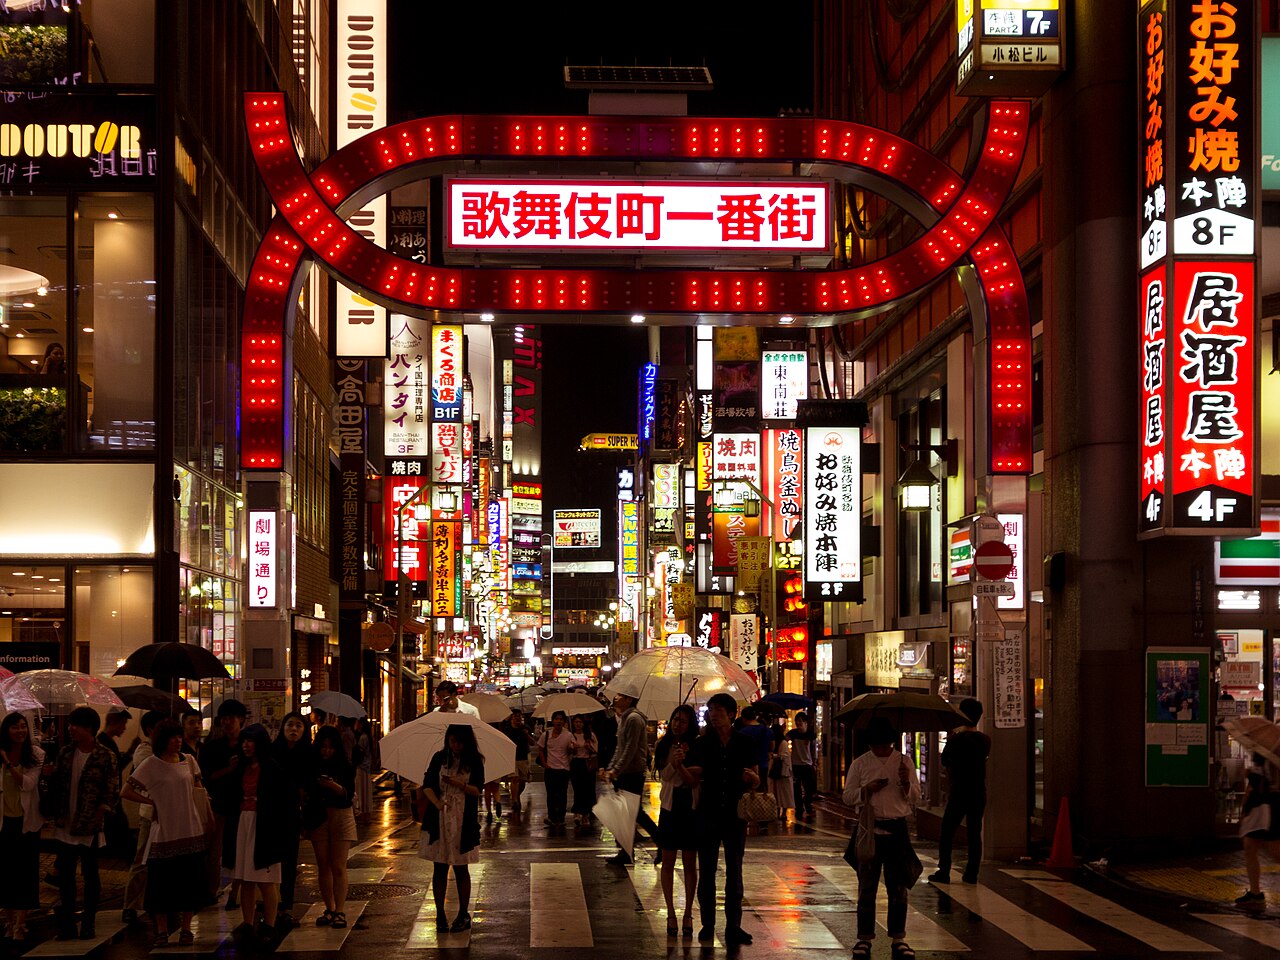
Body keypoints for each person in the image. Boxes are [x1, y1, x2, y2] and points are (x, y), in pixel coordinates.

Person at [120, 719, 207, 948]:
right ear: (162, 739)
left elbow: (198, 788)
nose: (178, 740)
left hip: (190, 827)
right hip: (164, 832)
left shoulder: (188, 761)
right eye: (173, 737)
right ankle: (161, 930)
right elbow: (126, 790)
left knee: (189, 882)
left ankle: (186, 929)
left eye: (179, 736)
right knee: (161, 884)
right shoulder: (151, 764)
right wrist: (151, 802)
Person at [683, 692, 759, 946]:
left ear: (731, 714)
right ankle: (708, 924)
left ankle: (733, 926)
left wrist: (753, 780)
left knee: (735, 871)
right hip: (707, 812)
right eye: (710, 709)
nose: (713, 714)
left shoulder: (745, 742)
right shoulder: (701, 743)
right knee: (707, 870)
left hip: (736, 815)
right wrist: (680, 765)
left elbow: (755, 777)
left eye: (718, 710)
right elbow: (693, 778)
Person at [844, 716, 922, 960]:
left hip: (897, 829)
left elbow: (916, 798)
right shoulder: (861, 764)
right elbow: (848, 796)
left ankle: (898, 938)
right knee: (867, 887)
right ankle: (864, 938)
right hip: (869, 829)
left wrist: (906, 782)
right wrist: (867, 790)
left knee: (898, 888)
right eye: (876, 745)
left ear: (891, 742)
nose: (880, 749)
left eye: (884, 745)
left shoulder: (904, 762)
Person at [49, 706, 120, 940]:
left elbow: (112, 788)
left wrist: (102, 810)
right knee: (66, 876)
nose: (71, 729)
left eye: (75, 725)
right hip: (65, 822)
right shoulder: (65, 752)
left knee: (91, 875)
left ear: (89, 728)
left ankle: (88, 923)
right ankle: (68, 924)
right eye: (70, 724)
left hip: (90, 824)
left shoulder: (104, 755)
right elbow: (58, 782)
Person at [418, 724, 485, 933]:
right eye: (453, 741)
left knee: (461, 867)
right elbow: (427, 783)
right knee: (439, 867)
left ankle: (463, 914)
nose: (456, 745)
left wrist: (459, 784)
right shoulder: (439, 758)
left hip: (463, 819)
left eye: (460, 742)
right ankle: (440, 914)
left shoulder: (475, 761)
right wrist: (437, 803)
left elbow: (477, 790)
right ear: (448, 740)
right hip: (439, 817)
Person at [228, 724, 290, 946]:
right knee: (245, 879)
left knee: (266, 880)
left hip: (265, 826)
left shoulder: (272, 768)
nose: (246, 745)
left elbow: (282, 801)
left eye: (250, 740)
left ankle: (269, 925)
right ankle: (247, 923)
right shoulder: (240, 768)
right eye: (244, 740)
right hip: (244, 822)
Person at [928, 698, 992, 885]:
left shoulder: (956, 740)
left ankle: (944, 870)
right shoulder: (985, 740)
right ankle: (972, 873)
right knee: (974, 831)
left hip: (959, 792)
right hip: (979, 792)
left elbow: (945, 761)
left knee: (947, 831)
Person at [598, 688, 659, 864]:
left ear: (629, 699)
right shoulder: (625, 718)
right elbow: (620, 747)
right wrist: (611, 768)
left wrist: (616, 769)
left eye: (620, 696)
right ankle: (626, 852)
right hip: (624, 772)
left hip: (632, 773)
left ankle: (661, 841)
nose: (616, 698)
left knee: (635, 813)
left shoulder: (634, 719)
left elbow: (630, 749)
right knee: (627, 813)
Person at [654, 704, 700, 937]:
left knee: (690, 862)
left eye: (682, 720)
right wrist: (675, 762)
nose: (676, 723)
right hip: (670, 808)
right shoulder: (663, 745)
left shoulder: (698, 746)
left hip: (690, 808)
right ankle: (671, 912)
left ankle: (688, 913)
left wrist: (683, 765)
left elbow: (694, 781)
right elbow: (664, 777)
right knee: (668, 860)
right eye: (674, 719)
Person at [0, 713, 45, 944]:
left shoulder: (36, 754)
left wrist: (8, 763)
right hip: (3, 822)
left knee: (26, 874)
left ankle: (21, 924)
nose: (20, 731)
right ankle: (9, 922)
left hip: (27, 823)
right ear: (6, 730)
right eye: (15, 727)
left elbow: (28, 784)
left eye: (23, 727)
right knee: (5, 874)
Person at [308, 725, 357, 928]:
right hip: (319, 816)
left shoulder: (345, 766)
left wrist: (332, 785)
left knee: (338, 866)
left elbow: (348, 794)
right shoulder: (312, 765)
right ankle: (329, 908)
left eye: (330, 747)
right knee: (323, 866)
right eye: (323, 747)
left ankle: (340, 910)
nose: (326, 751)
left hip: (341, 816)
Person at [200, 698, 247, 908]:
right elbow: (205, 777)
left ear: (241, 720)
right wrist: (228, 769)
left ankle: (236, 894)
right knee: (215, 851)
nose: (227, 723)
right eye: (224, 719)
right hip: (218, 805)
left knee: (241, 850)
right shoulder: (213, 747)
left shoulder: (249, 745)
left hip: (244, 806)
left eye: (231, 718)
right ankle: (210, 891)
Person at [122, 710, 165, 924]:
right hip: (150, 814)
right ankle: (130, 905)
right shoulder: (144, 751)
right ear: (151, 730)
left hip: (169, 813)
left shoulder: (166, 750)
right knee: (142, 859)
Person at [271, 711, 313, 926]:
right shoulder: (272, 752)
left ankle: (285, 906)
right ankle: (270, 905)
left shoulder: (307, 754)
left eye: (298, 726)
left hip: (293, 815)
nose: (293, 729)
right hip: (271, 814)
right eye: (290, 725)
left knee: (289, 862)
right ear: (283, 728)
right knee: (270, 861)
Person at [1237, 752, 1280, 905]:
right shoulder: (1260, 752)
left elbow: (1274, 784)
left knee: (1276, 851)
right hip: (1257, 805)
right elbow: (1253, 785)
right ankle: (1255, 893)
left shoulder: (1275, 753)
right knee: (1249, 846)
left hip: (1273, 805)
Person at [97, 707, 133, 857]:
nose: (124, 728)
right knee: (122, 833)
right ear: (114, 722)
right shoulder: (104, 742)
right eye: (123, 723)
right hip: (109, 796)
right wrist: (131, 751)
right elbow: (115, 768)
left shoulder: (106, 741)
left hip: (111, 797)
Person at [537, 710, 572, 830]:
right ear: (552, 721)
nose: (558, 721)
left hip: (564, 769)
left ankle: (561, 818)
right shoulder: (546, 735)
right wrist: (544, 763)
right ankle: (552, 816)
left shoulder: (568, 735)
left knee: (562, 794)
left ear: (564, 721)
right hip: (550, 769)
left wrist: (572, 748)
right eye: (556, 719)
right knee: (551, 794)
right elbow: (540, 749)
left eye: (561, 719)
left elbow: (572, 751)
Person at [568, 714, 598, 829]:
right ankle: (577, 812)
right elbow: (567, 751)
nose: (578, 724)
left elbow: (596, 750)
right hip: (576, 764)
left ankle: (586, 814)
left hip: (587, 764)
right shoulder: (571, 736)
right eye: (576, 722)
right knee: (577, 789)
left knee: (588, 789)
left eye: (580, 722)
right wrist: (572, 749)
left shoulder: (590, 735)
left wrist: (589, 747)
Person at [502, 710, 534, 815]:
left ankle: (516, 795)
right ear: (512, 718)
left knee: (523, 780)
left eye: (519, 717)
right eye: (515, 717)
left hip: (523, 756)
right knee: (514, 778)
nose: (517, 719)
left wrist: (526, 734)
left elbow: (532, 742)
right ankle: (515, 800)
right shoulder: (507, 729)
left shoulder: (525, 728)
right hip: (512, 757)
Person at [787, 712, 818, 820]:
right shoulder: (793, 733)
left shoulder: (810, 735)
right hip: (796, 764)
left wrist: (814, 762)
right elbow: (785, 739)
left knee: (809, 788)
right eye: (797, 721)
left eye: (801, 721)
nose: (798, 723)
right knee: (796, 788)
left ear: (806, 722)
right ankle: (799, 808)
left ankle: (807, 803)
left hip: (807, 764)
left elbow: (814, 749)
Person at [354, 718, 375, 823]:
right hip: (367, 767)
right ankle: (366, 814)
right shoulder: (368, 737)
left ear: (361, 724)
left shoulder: (362, 738)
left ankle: (362, 813)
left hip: (362, 767)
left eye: (357, 723)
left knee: (361, 791)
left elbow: (359, 753)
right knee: (366, 791)